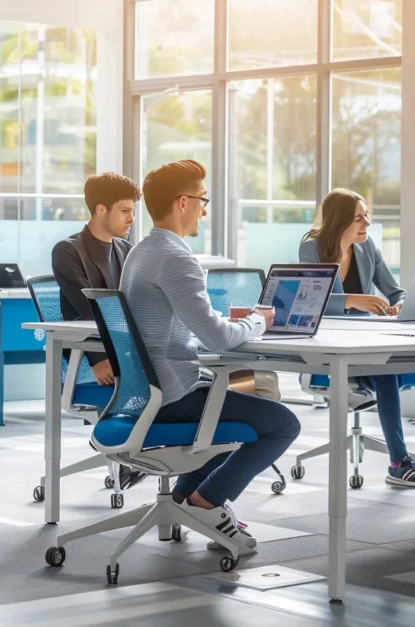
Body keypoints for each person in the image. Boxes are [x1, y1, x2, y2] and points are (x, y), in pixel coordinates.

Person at [121, 159, 301, 548]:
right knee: (283, 424)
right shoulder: (176, 257)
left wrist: (222, 323)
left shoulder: (141, 252)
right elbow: (218, 339)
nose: (205, 209)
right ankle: (206, 501)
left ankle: (187, 498)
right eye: (203, 200)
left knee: (241, 409)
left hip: (149, 393)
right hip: (175, 395)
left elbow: (185, 325)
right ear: (182, 202)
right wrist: (260, 320)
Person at [299, 189, 415, 488]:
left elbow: (395, 290)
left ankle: (398, 462)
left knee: (385, 366)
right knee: (386, 371)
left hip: (365, 340)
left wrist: (401, 304)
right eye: (359, 218)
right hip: (326, 347)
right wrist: (351, 301)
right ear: (339, 221)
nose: (367, 224)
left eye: (366, 216)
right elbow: (312, 303)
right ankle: (399, 461)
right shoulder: (312, 249)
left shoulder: (366, 246)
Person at [52, 173, 147, 492]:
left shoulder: (126, 249)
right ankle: (128, 451)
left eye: (133, 210)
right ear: (101, 209)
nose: (132, 218)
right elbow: (89, 309)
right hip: (88, 361)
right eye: (125, 210)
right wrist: (99, 358)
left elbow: (134, 307)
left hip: (126, 357)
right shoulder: (68, 250)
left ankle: (135, 452)